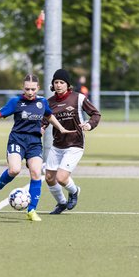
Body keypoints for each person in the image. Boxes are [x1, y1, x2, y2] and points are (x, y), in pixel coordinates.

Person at [0, 74, 76, 222]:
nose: (30, 92)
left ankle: (31, 210)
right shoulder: (15, 102)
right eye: (27, 89)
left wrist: (61, 128)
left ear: (38, 88)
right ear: (23, 88)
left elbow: (49, 116)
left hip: (34, 142)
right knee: (14, 170)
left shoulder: (42, 102)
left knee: (36, 173)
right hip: (17, 140)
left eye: (33, 89)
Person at [43, 69, 101, 214]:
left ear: (67, 84)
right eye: (56, 82)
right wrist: (41, 128)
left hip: (75, 143)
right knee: (50, 178)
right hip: (57, 144)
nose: (58, 85)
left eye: (61, 82)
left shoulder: (78, 98)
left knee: (62, 178)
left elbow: (96, 114)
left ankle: (74, 191)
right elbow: (44, 121)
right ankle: (61, 203)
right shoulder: (49, 103)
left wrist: (89, 124)